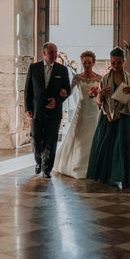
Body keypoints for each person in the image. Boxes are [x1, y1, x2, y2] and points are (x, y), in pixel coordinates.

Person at [87, 47, 130, 188]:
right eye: (113, 63)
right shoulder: (105, 79)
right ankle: (105, 176)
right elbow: (98, 102)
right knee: (106, 147)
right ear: (110, 62)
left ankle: (125, 178)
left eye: (119, 63)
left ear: (124, 61)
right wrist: (101, 94)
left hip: (126, 117)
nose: (116, 66)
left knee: (124, 148)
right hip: (109, 117)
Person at [24, 42, 71, 178]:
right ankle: (38, 161)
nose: (54, 55)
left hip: (54, 111)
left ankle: (47, 169)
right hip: (37, 111)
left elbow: (67, 90)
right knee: (36, 138)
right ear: (44, 54)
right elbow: (28, 90)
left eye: (55, 52)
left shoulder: (62, 70)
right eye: (51, 52)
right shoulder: (34, 68)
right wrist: (28, 108)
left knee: (51, 140)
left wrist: (57, 100)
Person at [53, 50, 102, 178]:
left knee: (94, 136)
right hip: (82, 109)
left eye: (89, 62)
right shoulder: (77, 78)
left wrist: (98, 94)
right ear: (81, 62)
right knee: (79, 137)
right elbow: (68, 91)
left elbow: (102, 95)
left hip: (95, 110)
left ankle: (95, 164)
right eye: (84, 62)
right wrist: (61, 93)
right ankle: (77, 165)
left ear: (93, 63)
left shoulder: (99, 78)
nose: (87, 65)